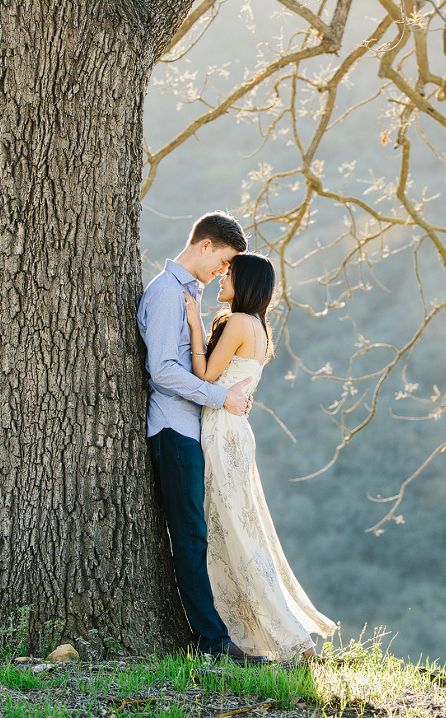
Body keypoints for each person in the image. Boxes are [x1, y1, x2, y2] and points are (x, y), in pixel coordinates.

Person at [183, 252, 339, 662]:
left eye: (228, 274)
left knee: (234, 530)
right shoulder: (257, 327)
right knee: (234, 527)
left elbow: (204, 377)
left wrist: (194, 324)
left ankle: (290, 639)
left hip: (222, 433)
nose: (221, 278)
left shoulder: (237, 323)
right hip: (234, 432)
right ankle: (273, 633)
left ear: (246, 282)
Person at [137, 211, 263, 663]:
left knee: (199, 533)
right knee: (190, 535)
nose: (223, 272)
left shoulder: (191, 295)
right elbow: (163, 371)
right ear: (205, 245)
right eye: (224, 261)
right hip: (174, 428)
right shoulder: (168, 293)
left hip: (195, 429)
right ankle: (212, 644)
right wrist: (219, 397)